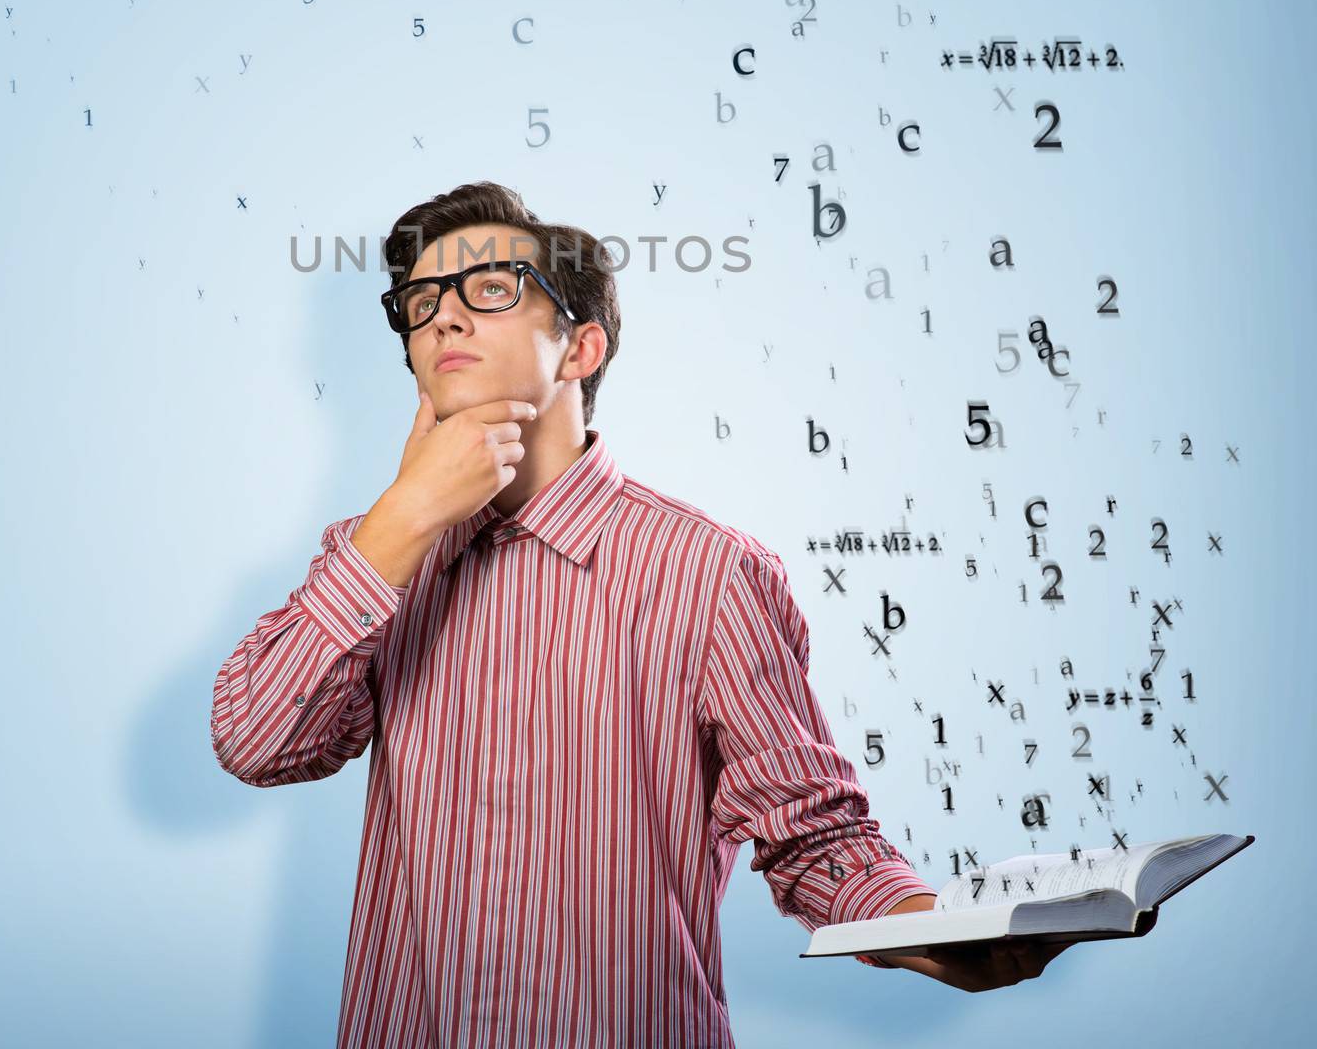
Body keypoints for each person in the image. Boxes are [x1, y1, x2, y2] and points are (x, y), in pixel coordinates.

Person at [211, 182, 1069, 1046]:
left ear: (580, 348)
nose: (444, 318)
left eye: (491, 287)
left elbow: (808, 829)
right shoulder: (375, 556)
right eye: (422, 301)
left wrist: (927, 928)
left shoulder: (711, 571)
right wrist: (398, 522)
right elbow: (257, 743)